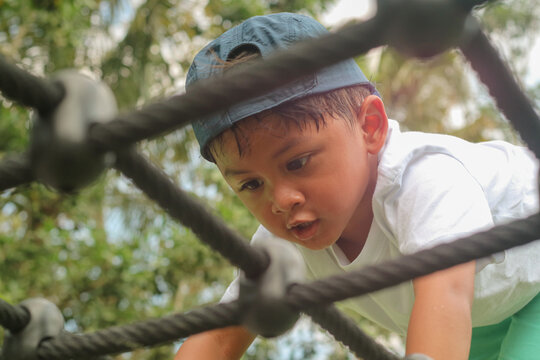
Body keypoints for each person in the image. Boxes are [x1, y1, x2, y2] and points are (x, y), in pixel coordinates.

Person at [175, 12, 540, 360]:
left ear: (370, 126)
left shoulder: (423, 179)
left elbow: (446, 292)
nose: (282, 199)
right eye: (252, 183)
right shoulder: (282, 245)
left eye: (298, 162)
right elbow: (220, 338)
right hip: (480, 318)